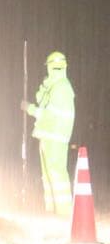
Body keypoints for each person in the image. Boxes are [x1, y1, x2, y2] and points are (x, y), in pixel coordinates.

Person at [22, 50, 76, 217]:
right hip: (48, 136)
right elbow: (41, 100)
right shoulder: (54, 85)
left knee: (57, 175)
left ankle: (64, 213)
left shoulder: (62, 88)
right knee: (48, 176)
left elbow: (48, 114)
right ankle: (52, 211)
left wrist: (29, 109)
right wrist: (45, 85)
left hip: (56, 137)